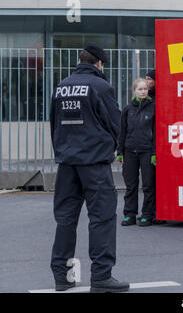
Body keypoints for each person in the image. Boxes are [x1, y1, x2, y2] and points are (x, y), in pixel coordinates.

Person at [50, 42, 129, 293]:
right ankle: (102, 277)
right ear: (99, 63)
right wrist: (114, 147)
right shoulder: (100, 86)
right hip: (94, 164)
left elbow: (54, 123)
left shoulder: (62, 86)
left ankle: (61, 277)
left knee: (65, 219)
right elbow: (115, 123)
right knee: (102, 217)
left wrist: (64, 151)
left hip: (67, 164)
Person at [117, 77, 158, 226]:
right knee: (131, 185)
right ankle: (130, 214)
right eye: (140, 89)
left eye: (145, 89)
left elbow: (156, 132)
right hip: (130, 151)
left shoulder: (154, 107)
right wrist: (120, 152)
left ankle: (147, 214)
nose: (143, 91)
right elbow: (122, 131)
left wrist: (154, 153)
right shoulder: (128, 109)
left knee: (148, 185)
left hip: (147, 151)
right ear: (134, 91)